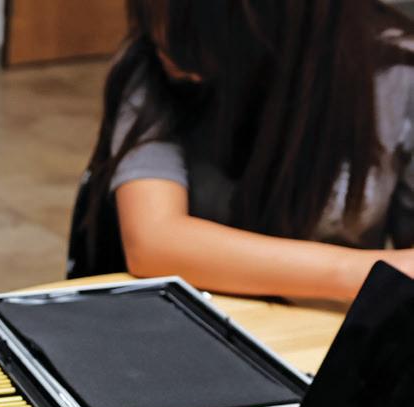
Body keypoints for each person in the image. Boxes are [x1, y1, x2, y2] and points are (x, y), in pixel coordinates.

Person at [72, 0, 414, 301]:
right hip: (184, 319)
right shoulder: (151, 64)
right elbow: (154, 242)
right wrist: (367, 273)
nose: (160, 36)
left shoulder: (397, 71)